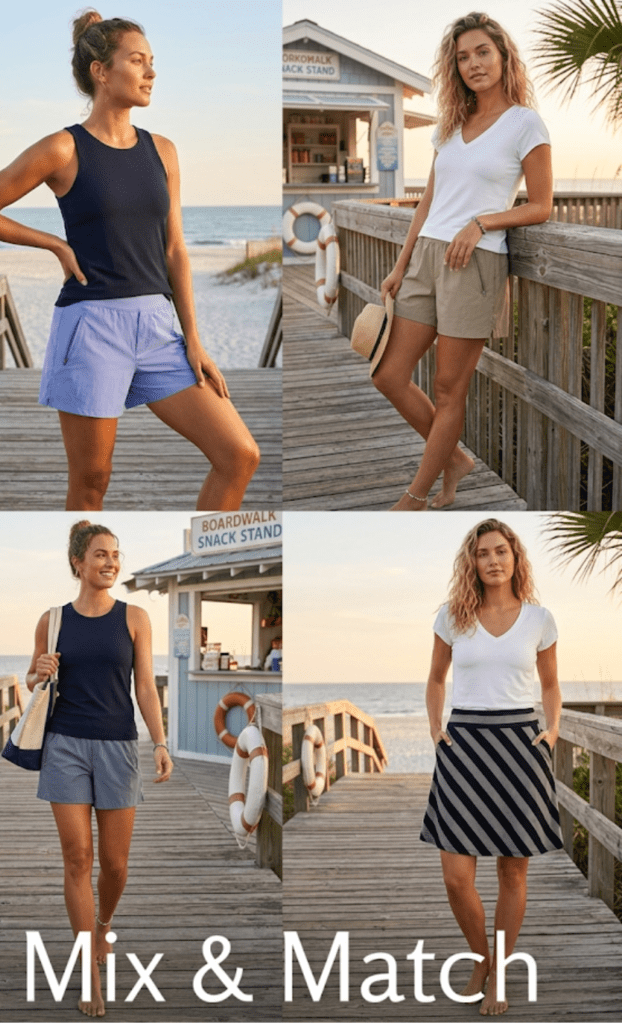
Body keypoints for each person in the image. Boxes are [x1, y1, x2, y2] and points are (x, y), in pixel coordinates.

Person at [0, 11, 260, 513]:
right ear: (101, 71)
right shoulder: (63, 147)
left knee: (239, 454)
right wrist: (54, 244)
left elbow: (175, 250)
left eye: (152, 62)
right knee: (93, 480)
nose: (151, 73)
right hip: (92, 324)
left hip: (159, 328)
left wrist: (195, 339)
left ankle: (206, 549)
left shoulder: (162, 150)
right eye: (137, 61)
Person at [375, 12, 552, 510]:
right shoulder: (451, 125)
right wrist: (400, 264)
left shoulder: (525, 122)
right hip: (427, 257)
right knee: (387, 373)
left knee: (449, 389)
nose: (473, 64)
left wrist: (482, 223)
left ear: (503, 56)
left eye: (482, 52)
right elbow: (428, 202)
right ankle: (453, 459)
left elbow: (541, 205)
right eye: (463, 57)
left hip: (475, 263)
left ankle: (416, 494)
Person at [27, 520, 172, 1017]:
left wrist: (160, 742)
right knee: (77, 859)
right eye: (100, 555)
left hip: (117, 746)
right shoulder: (52, 619)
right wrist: (38, 671)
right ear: (78, 563)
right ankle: (88, 968)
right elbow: (32, 677)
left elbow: (146, 687)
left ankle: (104, 923)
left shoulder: (135, 617)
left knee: (115, 865)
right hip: (64, 744)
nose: (111, 562)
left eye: (115, 555)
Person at [420, 518, 562, 1015]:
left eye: (502, 551)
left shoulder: (540, 619)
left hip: (520, 749)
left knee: (512, 871)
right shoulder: (452, 617)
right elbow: (436, 679)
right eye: (484, 553)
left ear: (515, 558)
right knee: (456, 876)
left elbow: (549, 684)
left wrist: (553, 729)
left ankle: (498, 971)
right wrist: (436, 730)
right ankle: (480, 956)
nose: (494, 560)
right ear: (473, 563)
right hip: (465, 748)